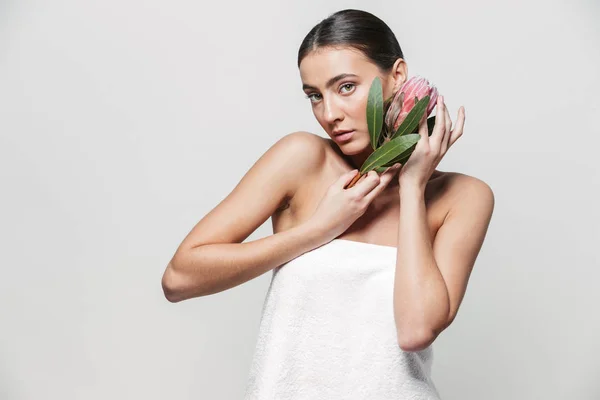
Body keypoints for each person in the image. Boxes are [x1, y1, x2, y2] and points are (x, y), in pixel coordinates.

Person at [161, 8, 494, 399]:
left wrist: (412, 186)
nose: (329, 114)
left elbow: (416, 330)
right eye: (315, 96)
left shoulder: (463, 198)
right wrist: (318, 231)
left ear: (397, 76)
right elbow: (178, 278)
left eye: (346, 87)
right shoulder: (301, 159)